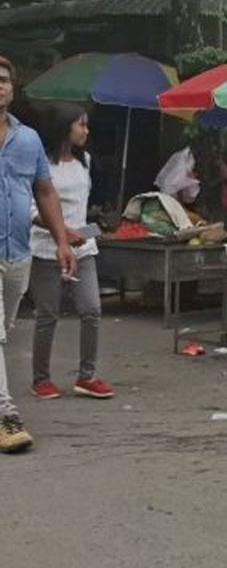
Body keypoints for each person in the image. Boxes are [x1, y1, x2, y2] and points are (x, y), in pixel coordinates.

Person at [0, 57, 77, 454]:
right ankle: (5, 416)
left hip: (17, 251)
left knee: (4, 327)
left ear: (13, 89)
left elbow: (44, 192)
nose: (0, 86)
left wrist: (62, 241)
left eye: (4, 80)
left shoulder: (27, 139)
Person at [29, 105, 112, 401]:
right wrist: (62, 233)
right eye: (82, 125)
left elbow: (82, 203)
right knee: (47, 315)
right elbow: (31, 210)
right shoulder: (41, 164)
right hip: (46, 249)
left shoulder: (86, 161)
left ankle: (87, 376)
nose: (86, 132)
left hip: (84, 249)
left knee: (92, 310)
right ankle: (41, 379)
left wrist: (86, 231)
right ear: (65, 127)